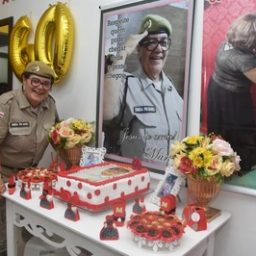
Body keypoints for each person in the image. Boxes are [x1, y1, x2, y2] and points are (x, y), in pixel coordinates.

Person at [103, 14, 183, 165]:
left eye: (163, 42)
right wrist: (123, 52)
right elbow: (106, 111)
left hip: (167, 180)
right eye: (151, 43)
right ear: (139, 49)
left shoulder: (173, 91)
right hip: (135, 178)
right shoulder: (126, 83)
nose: (158, 49)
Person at [0, 60, 59, 255]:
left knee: (28, 231)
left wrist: (70, 163)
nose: (40, 87)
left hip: (31, 179)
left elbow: (58, 137)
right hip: (3, 176)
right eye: (35, 81)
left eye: (45, 83)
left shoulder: (50, 104)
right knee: (4, 236)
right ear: (24, 80)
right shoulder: (6, 103)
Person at [207, 13, 256, 172]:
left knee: (220, 130)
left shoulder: (227, 42)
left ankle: (221, 163)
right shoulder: (244, 60)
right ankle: (240, 165)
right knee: (240, 134)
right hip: (233, 98)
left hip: (216, 88)